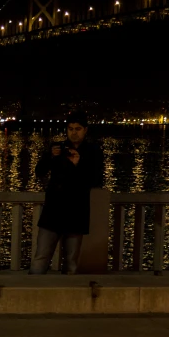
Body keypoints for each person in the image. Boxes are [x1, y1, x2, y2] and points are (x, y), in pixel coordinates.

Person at [29, 111, 104, 275]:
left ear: (85, 130)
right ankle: (33, 292)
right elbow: (39, 171)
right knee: (40, 259)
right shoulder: (58, 149)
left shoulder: (93, 152)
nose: (74, 132)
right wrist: (50, 157)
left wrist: (79, 163)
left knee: (71, 263)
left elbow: (96, 180)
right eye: (70, 128)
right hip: (53, 210)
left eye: (78, 128)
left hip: (76, 212)